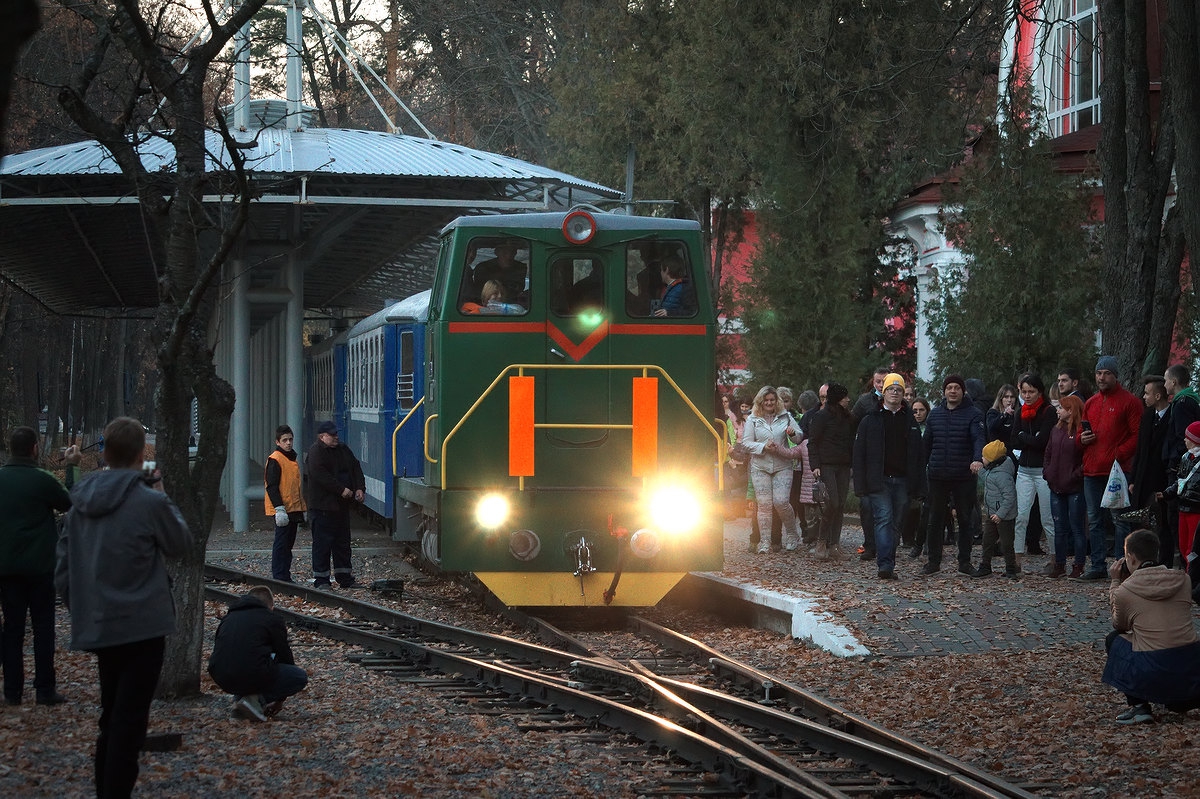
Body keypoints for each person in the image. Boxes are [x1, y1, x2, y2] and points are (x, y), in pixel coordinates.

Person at [54, 416, 192, 799]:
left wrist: (82, 604)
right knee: (130, 721)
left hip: (99, 623)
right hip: (143, 626)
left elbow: (62, 567)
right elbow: (180, 544)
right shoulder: (149, 500)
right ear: (139, 455)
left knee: (111, 716)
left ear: (105, 452)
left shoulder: (80, 500)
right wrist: (160, 488)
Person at [0, 427, 79, 705]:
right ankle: (44, 689)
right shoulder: (41, 479)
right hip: (41, 567)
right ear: (35, 448)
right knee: (44, 628)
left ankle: (12, 692)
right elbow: (71, 501)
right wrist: (72, 467)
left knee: (12, 629)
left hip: (7, 569)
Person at [1101, 529, 1200, 724]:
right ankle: (1183, 696)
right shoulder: (1183, 580)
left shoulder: (1125, 591)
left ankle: (1139, 706)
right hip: (1190, 667)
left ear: (1130, 557)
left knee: (1113, 639)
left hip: (1153, 670)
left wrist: (1114, 582)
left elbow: (1119, 625)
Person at [853, 373, 925, 580]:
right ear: (883, 393)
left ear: (903, 394)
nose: (894, 392)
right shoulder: (869, 420)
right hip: (879, 480)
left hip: (903, 480)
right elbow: (859, 454)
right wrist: (860, 485)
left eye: (899, 389)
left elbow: (919, 455)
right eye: (891, 389)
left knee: (896, 523)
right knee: (884, 519)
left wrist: (920, 485)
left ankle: (888, 560)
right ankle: (885, 565)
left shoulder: (909, 421)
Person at [1078, 356, 1142, 580]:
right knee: (1094, 520)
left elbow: (1137, 436)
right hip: (1092, 470)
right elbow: (1079, 434)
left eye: (1106, 373)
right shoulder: (1091, 403)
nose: (1101, 377)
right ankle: (1097, 566)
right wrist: (1082, 439)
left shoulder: (1130, 402)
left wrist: (1117, 454)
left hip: (1117, 471)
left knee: (1120, 521)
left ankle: (1121, 567)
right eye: (1098, 373)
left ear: (1115, 375)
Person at [207, 585, 308, 722]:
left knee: (248, 661)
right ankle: (255, 701)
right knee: (298, 676)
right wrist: (280, 698)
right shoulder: (272, 619)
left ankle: (242, 700)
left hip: (221, 676)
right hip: (250, 673)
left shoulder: (228, 618)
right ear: (271, 606)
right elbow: (285, 656)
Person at [921, 374, 985, 576]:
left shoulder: (973, 414)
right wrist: (918, 469)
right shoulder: (935, 415)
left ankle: (964, 563)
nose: (953, 391)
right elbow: (926, 445)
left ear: (963, 390)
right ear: (944, 391)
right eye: (949, 388)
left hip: (963, 475)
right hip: (938, 475)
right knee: (935, 519)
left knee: (965, 519)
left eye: (957, 387)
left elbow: (978, 438)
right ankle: (933, 562)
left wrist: (977, 459)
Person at [740, 386, 804, 553]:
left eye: (772, 400)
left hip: (782, 465)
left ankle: (792, 534)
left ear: (777, 402)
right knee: (764, 504)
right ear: (760, 402)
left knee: (781, 501)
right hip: (760, 466)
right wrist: (763, 446)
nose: (769, 403)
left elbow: (799, 438)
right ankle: (765, 542)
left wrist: (791, 434)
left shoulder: (786, 417)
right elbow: (746, 443)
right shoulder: (753, 419)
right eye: (766, 400)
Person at [306, 420, 366, 589]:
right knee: (322, 544)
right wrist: (342, 490)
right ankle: (322, 580)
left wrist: (360, 488)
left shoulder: (343, 450)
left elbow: (355, 467)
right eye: (332, 435)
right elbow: (321, 476)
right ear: (322, 436)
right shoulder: (316, 452)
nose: (336, 437)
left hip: (341, 507)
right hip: (323, 507)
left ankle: (344, 577)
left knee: (342, 544)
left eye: (336, 434)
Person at [1011, 373, 1058, 575]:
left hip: (1042, 472)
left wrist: (1025, 437)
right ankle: (1016, 559)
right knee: (1021, 516)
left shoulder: (1048, 412)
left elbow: (1042, 442)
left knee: (1048, 518)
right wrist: (1028, 437)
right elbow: (1013, 440)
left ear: (1040, 392)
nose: (1027, 395)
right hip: (1024, 471)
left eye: (1031, 391)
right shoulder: (1020, 411)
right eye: (1024, 392)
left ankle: (1055, 559)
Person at [808, 382, 855, 560]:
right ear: (838, 399)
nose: (848, 400)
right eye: (845, 397)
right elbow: (813, 442)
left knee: (840, 504)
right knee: (832, 503)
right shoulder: (821, 417)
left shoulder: (847, 418)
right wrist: (815, 466)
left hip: (843, 465)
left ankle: (834, 544)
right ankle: (822, 541)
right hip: (827, 465)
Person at [1045, 395, 1088, 578]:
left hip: (1074, 487)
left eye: (1061, 408)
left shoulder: (1080, 432)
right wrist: (1047, 472)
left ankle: (1079, 564)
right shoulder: (1056, 430)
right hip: (1055, 486)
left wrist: (1074, 475)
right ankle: (1060, 564)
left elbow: (1085, 459)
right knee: (1059, 527)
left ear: (1070, 410)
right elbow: (1048, 452)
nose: (1057, 410)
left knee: (1077, 527)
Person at [1129, 376, 1171, 563]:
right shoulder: (1147, 416)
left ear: (1158, 394)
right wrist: (1133, 479)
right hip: (1143, 478)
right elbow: (1140, 449)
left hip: (1161, 479)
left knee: (1162, 525)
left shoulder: (1172, 416)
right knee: (1139, 521)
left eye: (1147, 393)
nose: (1144, 397)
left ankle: (1163, 563)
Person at [852, 367, 890, 560]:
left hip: (889, 462)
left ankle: (886, 545)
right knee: (867, 505)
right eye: (878, 382)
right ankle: (870, 544)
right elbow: (853, 425)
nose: (881, 385)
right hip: (868, 460)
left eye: (885, 381)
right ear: (873, 382)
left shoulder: (897, 401)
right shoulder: (864, 402)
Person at [971, 440, 1019, 579]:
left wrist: (1000, 514)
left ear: (993, 459)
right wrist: (978, 469)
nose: (982, 459)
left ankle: (1011, 568)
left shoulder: (1003, 475)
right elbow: (987, 477)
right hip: (992, 514)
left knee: (1006, 543)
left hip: (1004, 516)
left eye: (984, 457)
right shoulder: (993, 471)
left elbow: (1010, 497)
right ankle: (985, 565)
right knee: (987, 541)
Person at [264, 425, 307, 583]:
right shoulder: (275, 459)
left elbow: (293, 486)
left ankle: (284, 575)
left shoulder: (290, 459)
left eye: (290, 439)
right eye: (285, 440)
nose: (288, 443)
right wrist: (279, 508)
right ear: (278, 442)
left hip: (293, 508)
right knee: (282, 544)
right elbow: (272, 486)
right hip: (283, 509)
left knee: (287, 544)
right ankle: (280, 576)